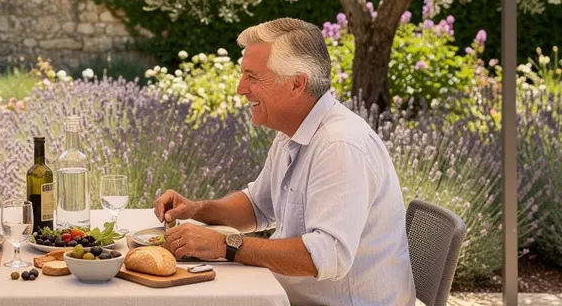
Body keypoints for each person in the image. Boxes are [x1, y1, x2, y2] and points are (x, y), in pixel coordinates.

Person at [154, 18, 415, 305]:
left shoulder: (339, 145)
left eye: (253, 77)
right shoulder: (292, 132)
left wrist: (225, 245)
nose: (241, 88)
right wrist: (196, 209)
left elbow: (327, 256)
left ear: (296, 83)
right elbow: (257, 206)